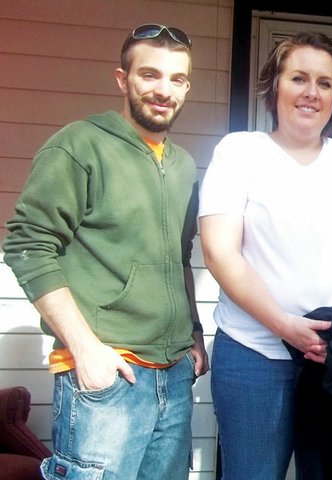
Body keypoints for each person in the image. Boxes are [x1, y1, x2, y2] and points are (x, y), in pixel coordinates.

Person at [3, 24, 208, 479]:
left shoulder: (182, 166)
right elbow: (28, 244)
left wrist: (193, 332)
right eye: (149, 75)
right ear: (122, 79)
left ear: (187, 87)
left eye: (176, 79)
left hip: (173, 375)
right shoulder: (78, 145)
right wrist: (86, 349)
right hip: (107, 376)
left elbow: (179, 256)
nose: (163, 90)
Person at [198, 31, 332, 480]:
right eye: (299, 78)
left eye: (324, 83)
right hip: (254, 355)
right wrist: (285, 326)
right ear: (275, 86)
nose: (311, 92)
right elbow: (219, 252)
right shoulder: (240, 152)